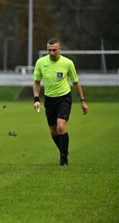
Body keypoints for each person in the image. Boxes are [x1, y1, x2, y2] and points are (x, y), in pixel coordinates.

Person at [33, 38, 88, 166]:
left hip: (64, 98)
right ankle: (64, 151)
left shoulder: (68, 63)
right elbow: (36, 81)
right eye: (49, 50)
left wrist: (82, 101)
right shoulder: (40, 62)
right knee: (53, 132)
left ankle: (63, 158)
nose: (51, 53)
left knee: (61, 127)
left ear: (60, 50)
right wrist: (36, 98)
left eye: (54, 50)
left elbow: (75, 82)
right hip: (49, 99)